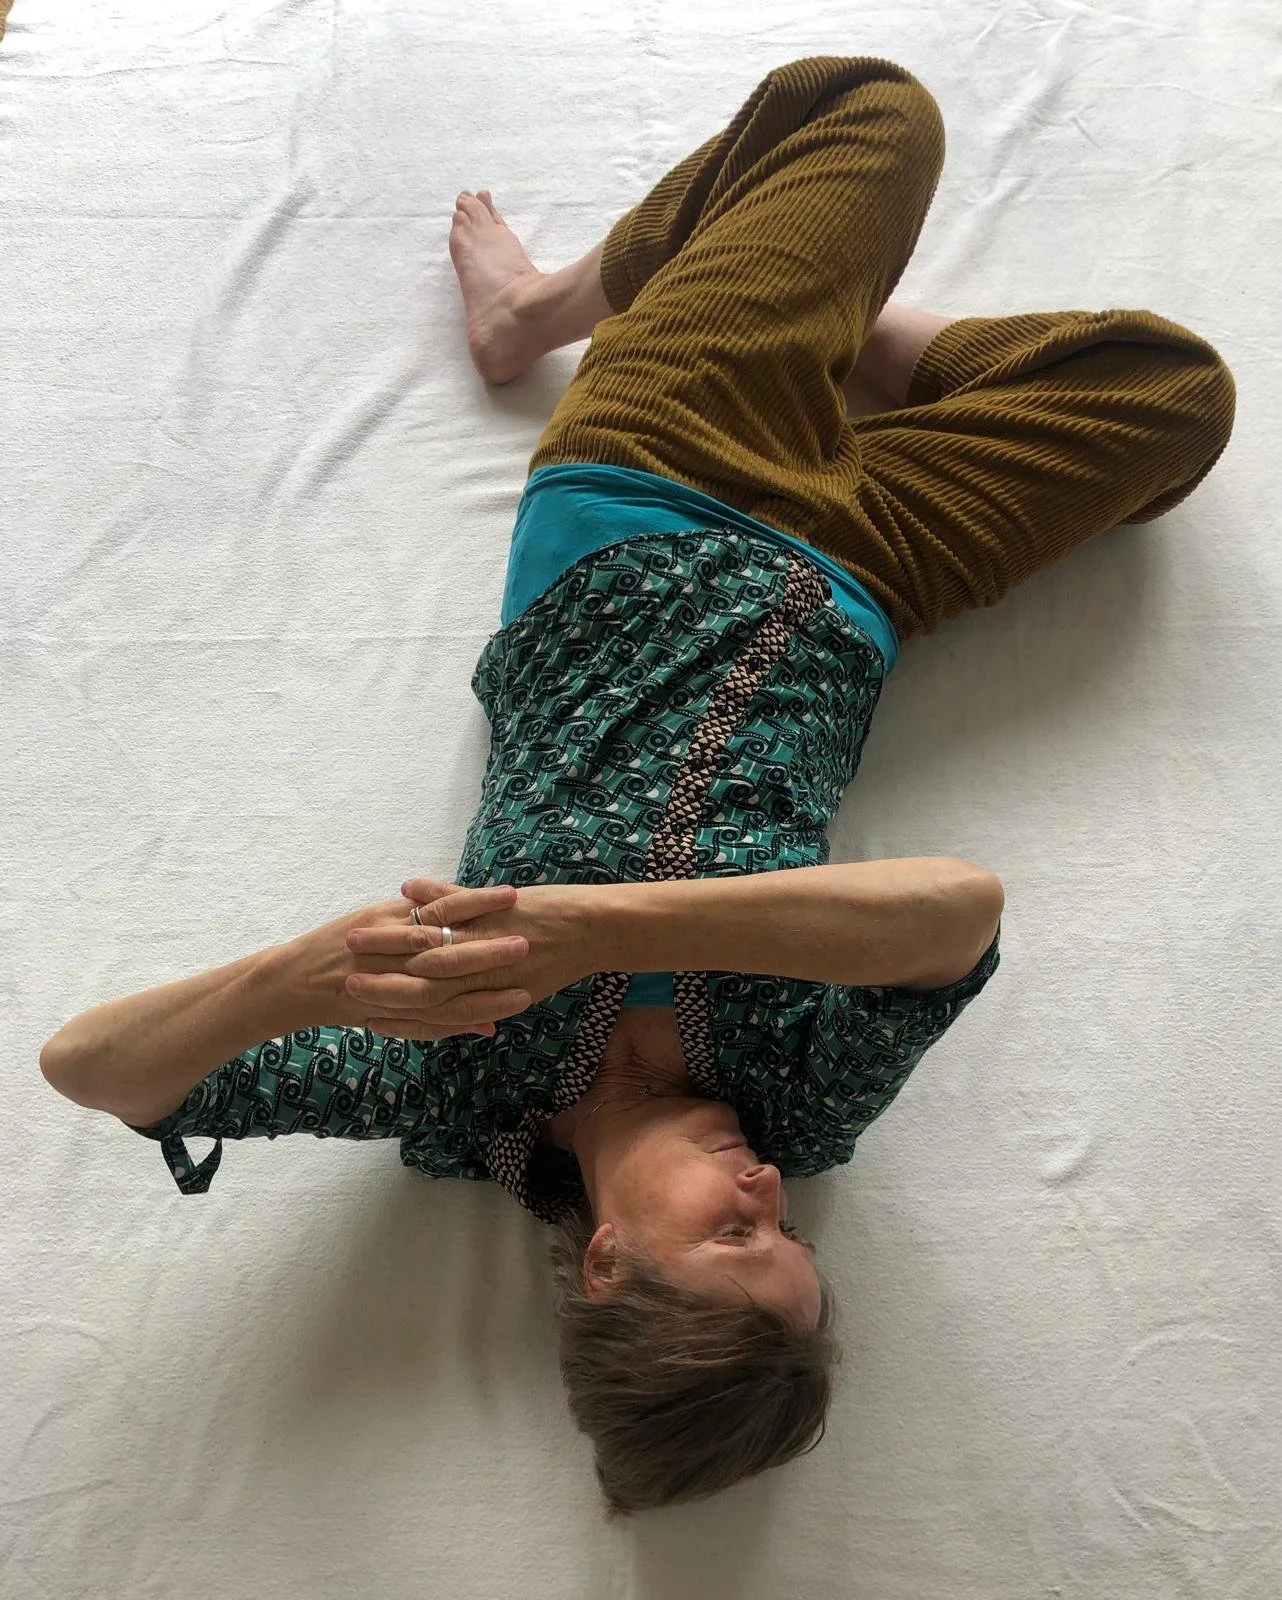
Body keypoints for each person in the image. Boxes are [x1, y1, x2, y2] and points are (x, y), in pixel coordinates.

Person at [39, 56, 1235, 1514]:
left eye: (737, 1239)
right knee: (1168, 398)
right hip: (871, 578)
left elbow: (92, 1069)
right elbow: (955, 912)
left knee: (863, 109)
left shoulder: (457, 1089)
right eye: (792, 1239)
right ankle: (812, 318)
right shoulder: (801, 1107)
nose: (771, 1195)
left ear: (606, 1259)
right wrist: (596, 927)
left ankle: (542, 314)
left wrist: (302, 975)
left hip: (651, 498)